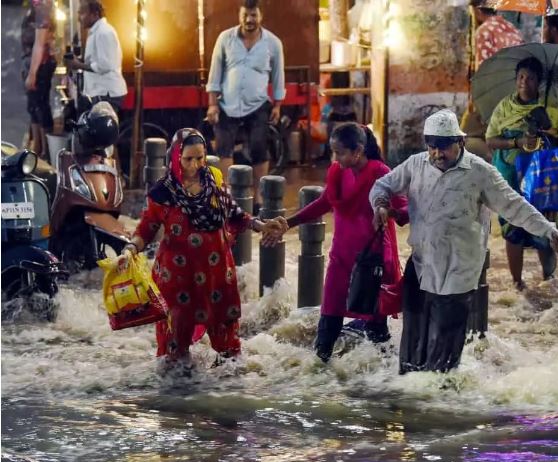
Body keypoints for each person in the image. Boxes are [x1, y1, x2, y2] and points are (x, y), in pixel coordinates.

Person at [370, 109, 558, 374]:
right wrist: (381, 206)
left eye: (444, 148)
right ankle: (410, 399)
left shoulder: (480, 172)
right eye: (432, 148)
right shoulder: (416, 164)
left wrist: (551, 232)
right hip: (421, 264)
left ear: (461, 142)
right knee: (413, 341)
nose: (437, 155)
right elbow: (381, 186)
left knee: (444, 351)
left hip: (458, 271)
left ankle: (441, 400)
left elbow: (515, 206)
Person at [123, 128, 287, 370]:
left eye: (200, 157)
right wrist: (130, 249)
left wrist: (261, 226)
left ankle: (229, 391)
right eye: (188, 158)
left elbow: (235, 213)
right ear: (176, 157)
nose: (195, 164)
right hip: (178, 278)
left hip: (216, 274)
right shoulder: (163, 191)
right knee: (175, 349)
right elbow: (147, 227)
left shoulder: (214, 180)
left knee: (229, 347)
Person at [278, 124, 407, 362]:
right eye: (333, 152)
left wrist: (388, 212)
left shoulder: (381, 172)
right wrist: (289, 222)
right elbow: (325, 202)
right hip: (341, 258)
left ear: (358, 151)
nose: (334, 158)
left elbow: (405, 208)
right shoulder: (338, 172)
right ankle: (318, 374)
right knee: (328, 318)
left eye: (339, 152)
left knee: (376, 328)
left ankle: (389, 380)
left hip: (371, 262)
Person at [485, 56, 558, 291]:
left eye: (531, 78)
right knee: (512, 229)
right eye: (521, 77)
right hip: (511, 178)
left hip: (541, 181)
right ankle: (517, 284)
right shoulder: (504, 108)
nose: (524, 82)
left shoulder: (552, 109)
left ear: (539, 82)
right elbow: (491, 139)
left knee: (545, 229)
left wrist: (549, 130)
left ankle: (550, 281)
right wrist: (517, 142)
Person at [206, 0, 285, 212]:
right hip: (227, 104)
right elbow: (215, 73)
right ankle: (228, 196)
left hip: (258, 104)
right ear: (239, 16)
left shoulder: (273, 43)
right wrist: (212, 105)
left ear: (260, 16)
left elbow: (278, 78)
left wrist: (277, 106)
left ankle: (259, 199)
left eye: (253, 16)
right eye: (245, 16)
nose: (249, 20)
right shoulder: (225, 38)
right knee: (223, 147)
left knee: (259, 148)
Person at [461, 0, 524, 162]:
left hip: (493, 95)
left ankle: (490, 163)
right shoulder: (512, 29)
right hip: (515, 96)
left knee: (464, 137)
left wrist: (477, 101)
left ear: (476, 10)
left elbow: (483, 71)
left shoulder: (484, 31)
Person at [64, 0, 127, 115]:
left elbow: (105, 65)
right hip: (100, 93)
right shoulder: (96, 32)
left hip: (106, 94)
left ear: (95, 14)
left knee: (103, 131)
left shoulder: (104, 32)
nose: (79, 18)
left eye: (82, 13)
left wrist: (78, 65)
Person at [22, 0, 56, 160]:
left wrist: (33, 73)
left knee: (41, 105)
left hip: (40, 64)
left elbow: (40, 44)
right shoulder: (35, 6)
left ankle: (46, 151)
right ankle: (37, 146)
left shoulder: (43, 7)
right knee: (33, 106)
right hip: (31, 62)